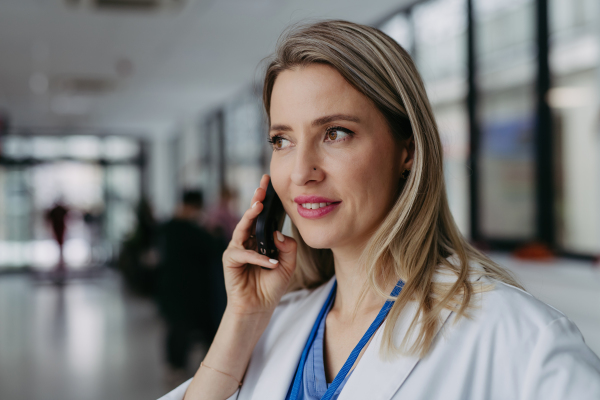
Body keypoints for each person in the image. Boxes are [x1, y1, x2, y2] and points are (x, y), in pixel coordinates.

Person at [159, 20, 600, 400]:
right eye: (282, 140)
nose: (301, 171)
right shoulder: (275, 324)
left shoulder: (516, 336)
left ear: (407, 149)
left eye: (335, 133)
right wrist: (243, 317)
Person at [156, 190, 224, 380]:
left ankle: (175, 366)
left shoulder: (167, 228)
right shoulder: (192, 231)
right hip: (190, 290)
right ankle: (202, 367)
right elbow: (216, 248)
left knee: (177, 328)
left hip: (171, 286)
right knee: (188, 329)